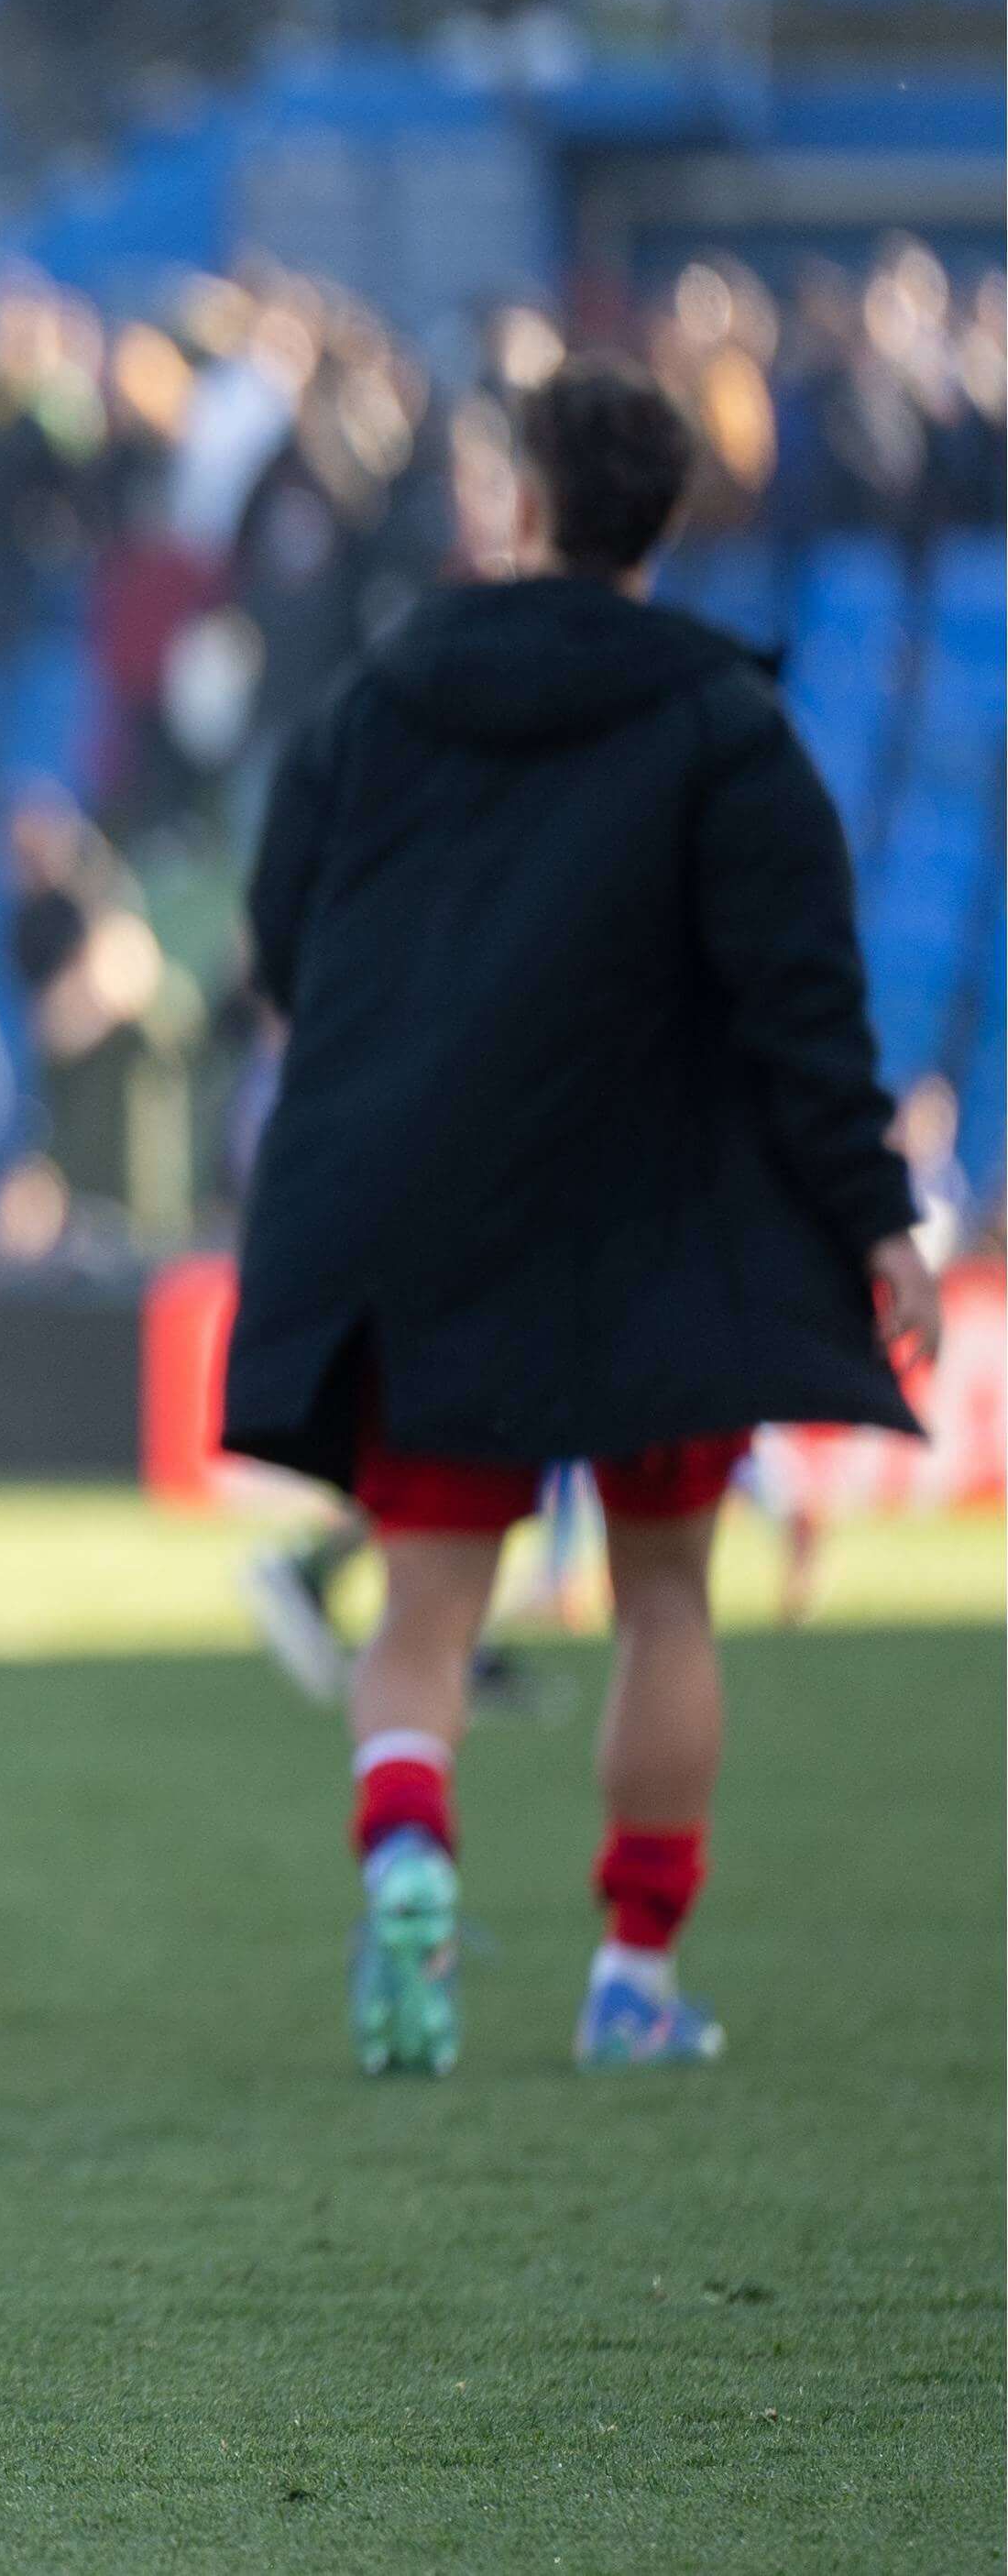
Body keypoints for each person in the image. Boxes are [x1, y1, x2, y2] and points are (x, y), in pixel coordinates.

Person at [224, 359, 933, 2084]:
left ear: (520, 501)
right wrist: (874, 1216)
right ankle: (632, 1975)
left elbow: (281, 932)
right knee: (663, 1598)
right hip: (653, 1226)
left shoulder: (381, 694)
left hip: (429, 1212)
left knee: (423, 1609)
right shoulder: (722, 723)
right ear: (664, 518)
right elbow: (803, 1004)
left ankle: (407, 1856)